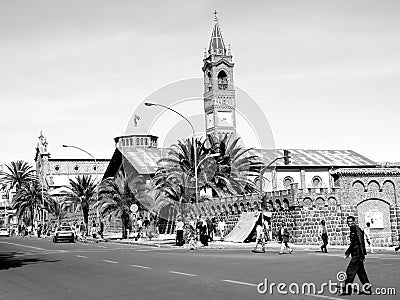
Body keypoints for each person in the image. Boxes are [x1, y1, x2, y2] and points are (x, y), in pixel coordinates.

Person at [342, 216, 371, 295]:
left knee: (350, 271)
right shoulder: (352, 230)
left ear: (354, 222)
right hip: (356, 253)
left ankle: (348, 290)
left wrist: (362, 255)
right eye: (348, 222)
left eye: (351, 221)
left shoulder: (357, 230)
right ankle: (368, 289)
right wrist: (348, 252)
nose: (349, 223)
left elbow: (361, 242)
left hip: (357, 254)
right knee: (361, 272)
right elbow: (353, 244)